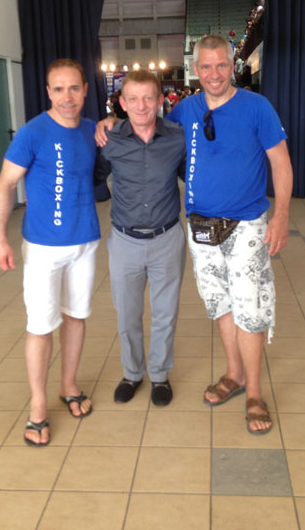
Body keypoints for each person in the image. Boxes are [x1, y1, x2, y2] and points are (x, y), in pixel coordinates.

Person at [167, 35, 293, 435]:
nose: (214, 74)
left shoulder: (257, 107)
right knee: (219, 303)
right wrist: (108, 124)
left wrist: (281, 216)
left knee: (250, 309)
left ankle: (254, 391)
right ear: (195, 69)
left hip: (247, 225)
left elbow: (281, 163)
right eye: (206, 66)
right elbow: (147, 131)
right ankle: (234, 374)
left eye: (221, 65)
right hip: (201, 228)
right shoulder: (184, 110)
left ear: (233, 65)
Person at [0, 58, 100, 447]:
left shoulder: (91, 130)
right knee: (40, 326)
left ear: (85, 90)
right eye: (58, 89)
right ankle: (38, 404)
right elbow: (6, 184)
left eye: (74, 88)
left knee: (76, 318)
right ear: (48, 92)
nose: (67, 97)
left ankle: (68, 385)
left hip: (85, 242)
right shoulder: (32, 133)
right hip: (42, 247)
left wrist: (110, 123)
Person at [95, 70, 186, 406]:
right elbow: (89, 176)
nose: (141, 105)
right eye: (133, 98)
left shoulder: (177, 137)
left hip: (167, 238)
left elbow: (195, 177)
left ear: (160, 100)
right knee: (127, 314)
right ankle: (132, 373)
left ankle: (159, 376)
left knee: (165, 314)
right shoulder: (109, 139)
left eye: (148, 97)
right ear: (121, 102)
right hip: (125, 242)